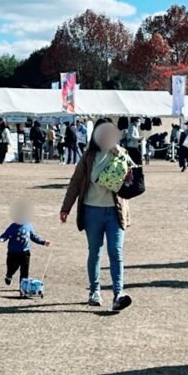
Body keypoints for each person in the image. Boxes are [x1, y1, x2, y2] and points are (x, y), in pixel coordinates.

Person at [59, 119, 135, 310]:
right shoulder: (89, 156)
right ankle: (94, 291)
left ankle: (119, 294)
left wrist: (121, 156)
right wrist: (66, 208)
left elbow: (133, 178)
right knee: (95, 251)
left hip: (115, 211)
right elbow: (76, 182)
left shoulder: (121, 153)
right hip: (91, 210)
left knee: (116, 251)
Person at [0, 199, 51, 291]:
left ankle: (23, 286)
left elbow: (33, 237)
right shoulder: (13, 227)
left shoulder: (28, 226)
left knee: (24, 270)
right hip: (13, 253)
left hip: (25, 252)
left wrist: (43, 242)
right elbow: (6, 234)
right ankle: (9, 274)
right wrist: (1, 239)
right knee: (12, 267)